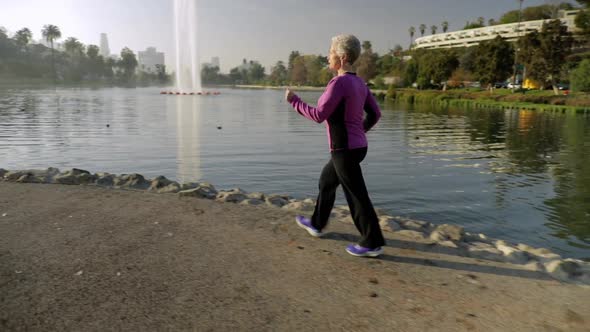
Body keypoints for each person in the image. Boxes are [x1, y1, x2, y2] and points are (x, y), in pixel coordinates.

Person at [285, 34, 385, 258]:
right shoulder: (360, 83)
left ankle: (371, 242)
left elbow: (319, 115)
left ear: (342, 57)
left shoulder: (339, 83)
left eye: (330, 52)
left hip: (344, 150)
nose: (327, 56)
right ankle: (316, 224)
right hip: (356, 147)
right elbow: (375, 114)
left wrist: (294, 101)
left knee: (357, 196)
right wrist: (360, 132)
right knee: (326, 181)